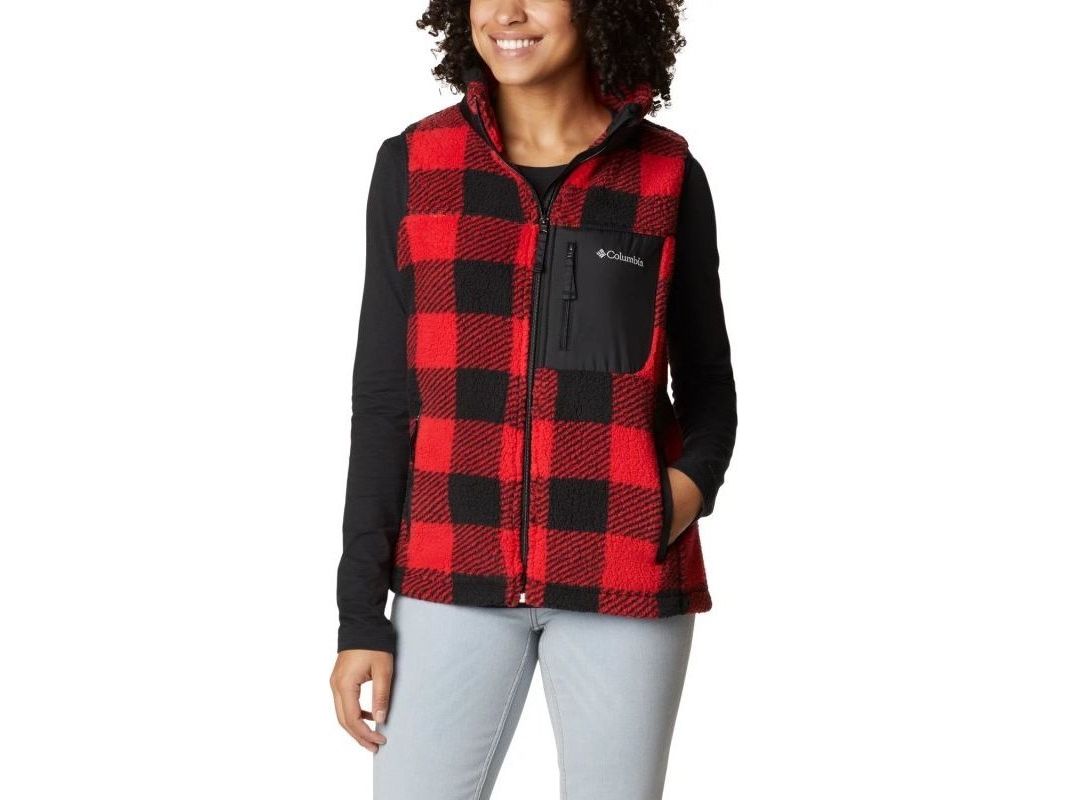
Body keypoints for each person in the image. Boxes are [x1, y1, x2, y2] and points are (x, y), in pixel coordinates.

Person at [330, 2, 737, 798]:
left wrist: (681, 492)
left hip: (621, 567)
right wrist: (360, 616)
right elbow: (383, 400)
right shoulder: (414, 164)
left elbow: (707, 381)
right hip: (449, 567)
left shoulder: (665, 173)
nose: (507, 12)